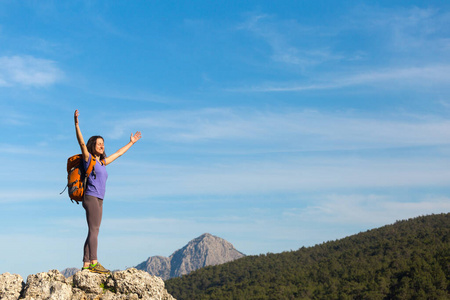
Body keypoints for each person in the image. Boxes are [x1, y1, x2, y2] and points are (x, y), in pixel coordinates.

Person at [74, 109, 142, 274]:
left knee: (93, 230)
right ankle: (94, 263)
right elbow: (82, 143)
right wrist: (76, 124)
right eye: (99, 143)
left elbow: (118, 154)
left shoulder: (103, 162)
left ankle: (85, 263)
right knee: (94, 230)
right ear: (93, 146)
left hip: (99, 199)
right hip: (91, 197)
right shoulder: (88, 159)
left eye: (103, 143)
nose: (102, 145)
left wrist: (131, 142)